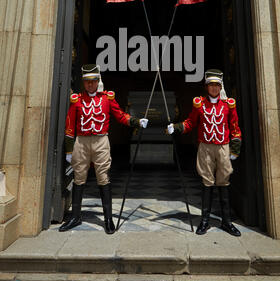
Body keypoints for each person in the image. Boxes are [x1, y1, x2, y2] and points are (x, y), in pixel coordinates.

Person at [59, 64, 148, 234]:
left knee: (103, 178)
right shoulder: (77, 100)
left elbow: (120, 116)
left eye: (93, 81)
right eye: (87, 82)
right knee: (79, 178)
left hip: (101, 141)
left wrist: (136, 122)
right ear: (84, 83)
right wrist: (70, 151)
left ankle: (108, 218)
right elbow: (70, 126)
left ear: (98, 81)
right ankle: (75, 217)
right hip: (82, 142)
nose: (90, 85)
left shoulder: (107, 98)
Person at [167, 69, 242, 237]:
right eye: (211, 85)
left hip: (223, 146)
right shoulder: (199, 104)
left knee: (223, 182)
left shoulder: (228, 104)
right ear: (206, 87)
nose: (214, 88)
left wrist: (235, 149)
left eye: (217, 85)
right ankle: (205, 220)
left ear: (220, 86)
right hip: (205, 147)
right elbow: (191, 122)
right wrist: (177, 127)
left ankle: (227, 221)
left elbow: (235, 128)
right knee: (207, 182)